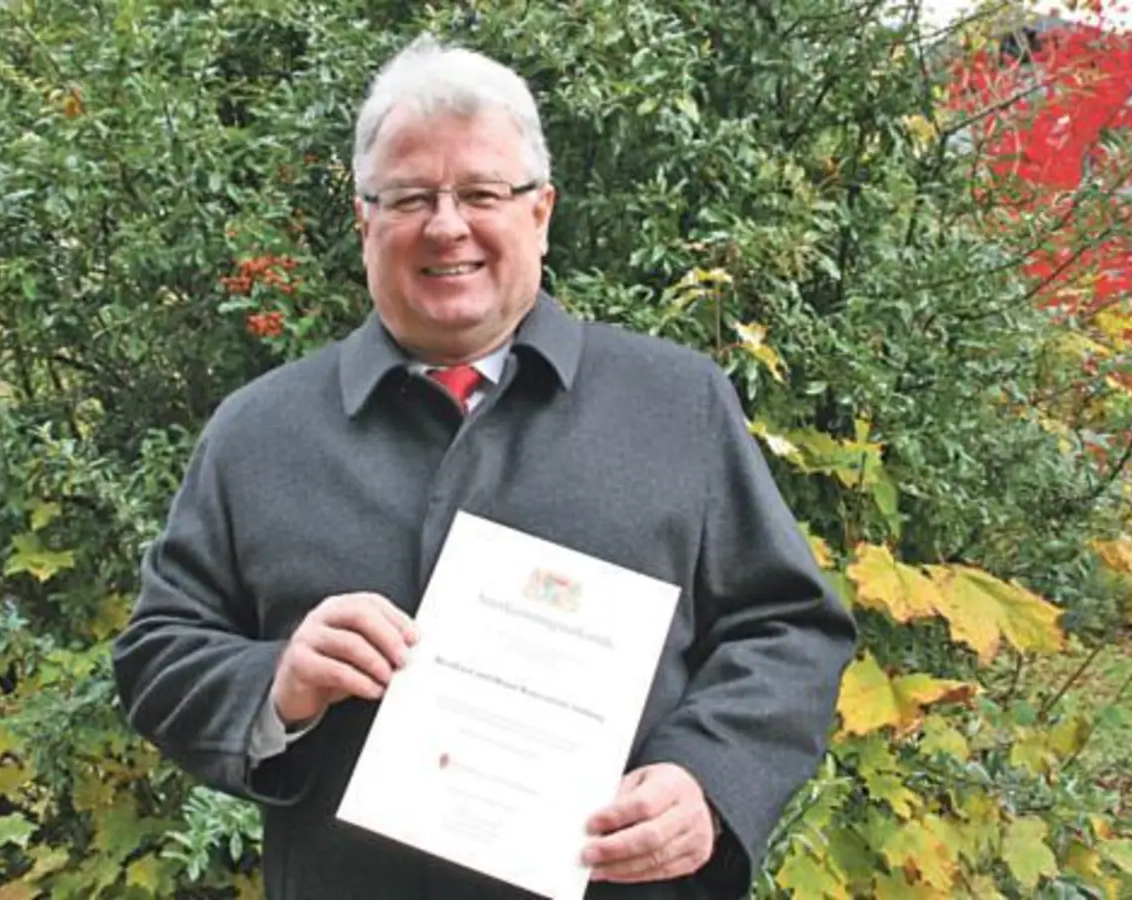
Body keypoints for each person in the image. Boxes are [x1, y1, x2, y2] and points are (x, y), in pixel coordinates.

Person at [112, 34, 856, 900]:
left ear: (540, 211)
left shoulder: (676, 404)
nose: (447, 224)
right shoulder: (260, 432)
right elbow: (157, 654)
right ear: (364, 221)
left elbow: (789, 629)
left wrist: (708, 779)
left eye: (481, 193)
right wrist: (278, 682)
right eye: (410, 196)